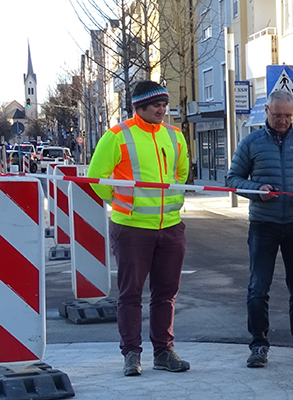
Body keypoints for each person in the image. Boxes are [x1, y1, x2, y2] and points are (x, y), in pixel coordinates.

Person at [87, 80, 191, 376]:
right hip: (132, 228)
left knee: (166, 294)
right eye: (156, 105)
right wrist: (122, 203)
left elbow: (182, 172)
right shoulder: (117, 136)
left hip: (170, 227)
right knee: (130, 294)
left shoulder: (174, 135)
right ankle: (131, 354)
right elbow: (97, 178)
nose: (162, 109)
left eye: (164, 104)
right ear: (139, 107)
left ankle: (164, 352)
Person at [226, 89, 293, 367]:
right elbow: (232, 178)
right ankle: (258, 345)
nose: (283, 120)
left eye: (287, 115)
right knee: (258, 287)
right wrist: (256, 190)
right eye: (277, 115)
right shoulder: (251, 143)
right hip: (263, 224)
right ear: (267, 113)